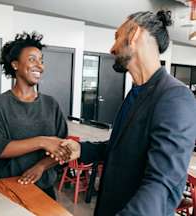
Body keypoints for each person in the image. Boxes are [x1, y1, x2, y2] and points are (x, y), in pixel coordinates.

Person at [58, 10, 196, 215]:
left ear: (134, 35)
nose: (112, 48)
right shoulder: (135, 94)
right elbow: (121, 149)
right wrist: (81, 149)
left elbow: (161, 184)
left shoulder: (174, 97)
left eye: (117, 37)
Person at [0, 32, 77, 200]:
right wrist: (42, 141)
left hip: (44, 189)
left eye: (41, 61)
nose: (40, 66)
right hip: (6, 187)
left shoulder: (51, 104)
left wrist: (41, 166)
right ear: (15, 64)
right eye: (32, 59)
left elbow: (62, 150)